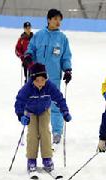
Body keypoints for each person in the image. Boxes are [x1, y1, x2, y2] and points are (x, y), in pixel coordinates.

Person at [24, 8, 72, 144]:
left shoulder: (62, 39)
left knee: (55, 104)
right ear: (49, 19)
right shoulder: (38, 35)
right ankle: (32, 130)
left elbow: (65, 57)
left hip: (53, 77)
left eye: (60, 20)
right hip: (36, 77)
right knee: (33, 103)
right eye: (55, 19)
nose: (58, 22)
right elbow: (30, 50)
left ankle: (57, 131)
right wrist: (28, 56)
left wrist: (67, 70)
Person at [14, 63, 72, 173]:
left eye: (42, 80)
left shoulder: (49, 86)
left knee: (44, 132)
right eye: (37, 80)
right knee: (32, 134)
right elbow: (19, 101)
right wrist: (21, 115)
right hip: (30, 112)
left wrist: (64, 111)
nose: (40, 83)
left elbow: (59, 98)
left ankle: (47, 158)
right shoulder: (27, 88)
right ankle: (31, 159)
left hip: (44, 110)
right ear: (32, 80)